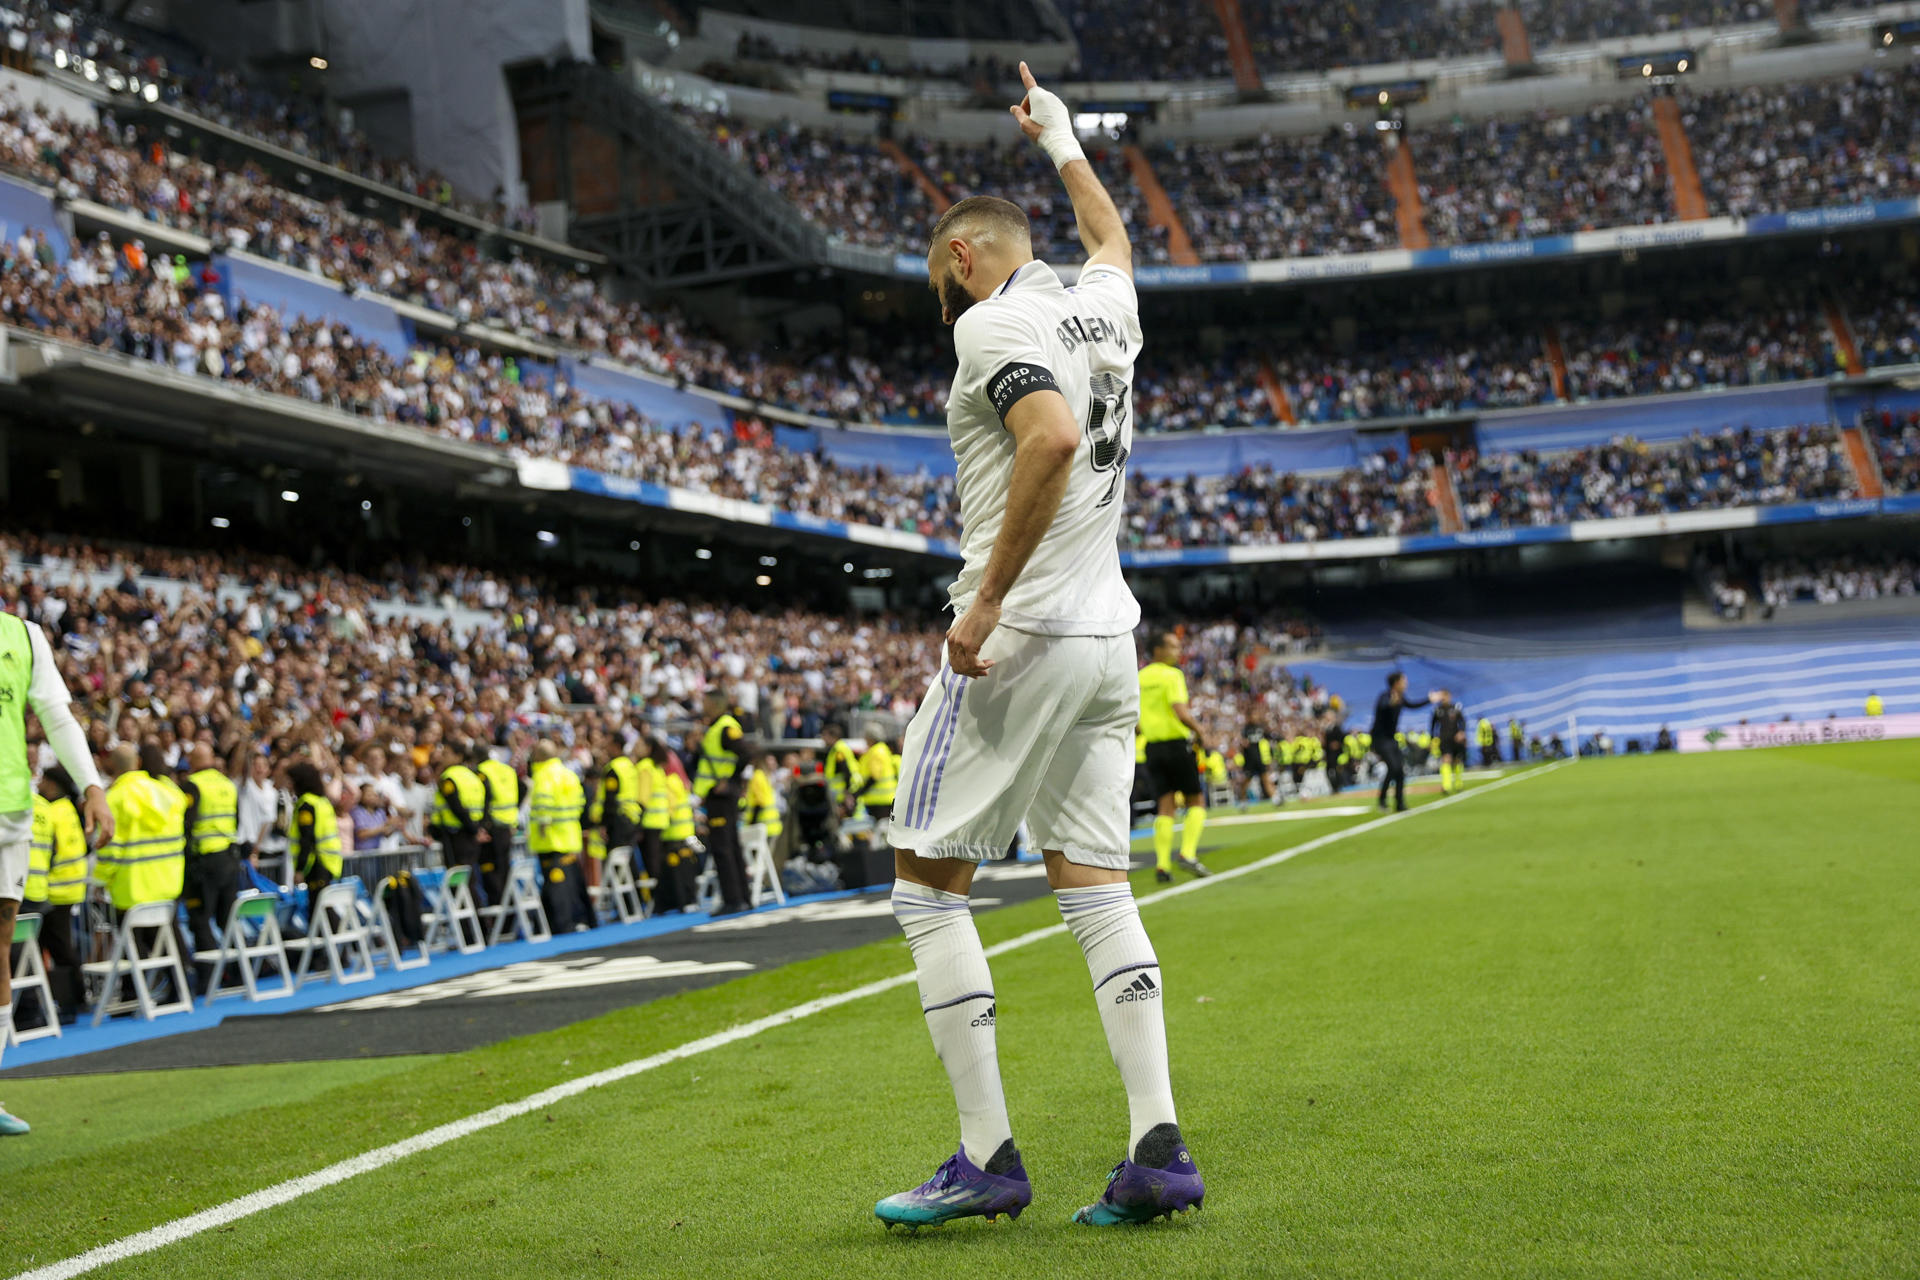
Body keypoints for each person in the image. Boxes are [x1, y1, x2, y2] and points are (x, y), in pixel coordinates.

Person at [877, 64, 1202, 1232]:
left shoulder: (996, 325)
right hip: (1111, 637)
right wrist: (1062, 137)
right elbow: (1109, 231)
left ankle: (984, 1156)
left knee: (925, 887)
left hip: (1020, 639)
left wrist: (982, 603)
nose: (941, 304)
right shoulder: (1101, 302)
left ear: (965, 256)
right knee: (1097, 886)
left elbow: (1051, 436)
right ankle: (1156, 1146)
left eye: (938, 279)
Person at [0, 605, 110, 1134]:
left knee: (1, 946)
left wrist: (92, 786)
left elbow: (58, 714)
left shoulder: (23, 635)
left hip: (9, 813)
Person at [1137, 631, 1212, 884]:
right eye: (1172, 646)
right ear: (1157, 650)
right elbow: (1180, 711)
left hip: (1152, 748)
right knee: (1196, 800)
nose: (1178, 651)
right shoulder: (1172, 675)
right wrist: (1200, 731)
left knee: (1165, 805)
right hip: (1177, 746)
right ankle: (1188, 853)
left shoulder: (1139, 678)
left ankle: (1162, 865)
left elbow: (1135, 719)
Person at [178, 743, 241, 987]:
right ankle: (236, 973)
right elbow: (237, 819)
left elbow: (187, 824)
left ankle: (208, 977)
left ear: (193, 760)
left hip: (204, 862)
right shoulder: (227, 784)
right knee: (227, 920)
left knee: (201, 919)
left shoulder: (192, 785)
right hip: (229, 858)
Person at [28, 766, 88, 1023]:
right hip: (70, 886)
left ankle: (71, 1002)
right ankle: (69, 1000)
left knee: (59, 948)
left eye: (44, 780)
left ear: (54, 785)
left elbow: (52, 852)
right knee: (59, 946)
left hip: (56, 888)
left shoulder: (53, 811)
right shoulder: (67, 809)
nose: (40, 784)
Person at [693, 689, 751, 916]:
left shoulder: (725, 727)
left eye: (706, 701)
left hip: (722, 797)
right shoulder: (717, 727)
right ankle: (742, 897)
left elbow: (745, 753)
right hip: (718, 796)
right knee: (731, 847)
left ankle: (734, 899)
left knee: (723, 848)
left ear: (715, 703)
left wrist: (731, 780)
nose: (703, 705)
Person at [526, 739, 586, 933]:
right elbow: (580, 803)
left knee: (556, 885)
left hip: (550, 840)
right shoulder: (569, 774)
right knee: (568, 883)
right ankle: (573, 919)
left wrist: (542, 829)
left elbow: (543, 807)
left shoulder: (543, 776)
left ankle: (561, 924)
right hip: (569, 836)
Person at [1372, 672, 1439, 813]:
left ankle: (1399, 803)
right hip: (1380, 740)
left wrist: (1429, 699)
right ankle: (1383, 800)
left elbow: (1412, 705)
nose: (1406, 683)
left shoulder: (1401, 698)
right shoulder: (1385, 696)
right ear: (1396, 683)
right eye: (1404, 680)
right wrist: (1391, 703)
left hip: (1391, 739)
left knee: (1399, 771)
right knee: (1394, 767)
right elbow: (1383, 706)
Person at [430, 742, 487, 901]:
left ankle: (467, 924)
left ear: (458, 757)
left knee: (460, 883)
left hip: (456, 835)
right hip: (471, 834)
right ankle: (478, 921)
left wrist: (474, 830)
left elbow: (457, 807)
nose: (442, 757)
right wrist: (478, 829)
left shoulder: (449, 777)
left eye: (446, 754)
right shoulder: (473, 776)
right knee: (470, 879)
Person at [286, 760, 343, 900]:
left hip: (317, 865)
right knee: (322, 909)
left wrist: (300, 869)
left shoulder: (306, 805)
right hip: (331, 862)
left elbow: (306, 838)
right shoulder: (322, 801)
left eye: (291, 781)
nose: (289, 785)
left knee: (320, 910)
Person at [476, 747, 520, 905]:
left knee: (491, 873)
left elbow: (485, 799)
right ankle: (509, 912)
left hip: (491, 828)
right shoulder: (507, 769)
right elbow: (523, 787)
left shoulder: (481, 771)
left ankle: (498, 911)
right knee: (504, 871)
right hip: (508, 825)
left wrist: (482, 826)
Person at [820, 720, 864, 816]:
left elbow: (846, 771)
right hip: (844, 792)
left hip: (847, 792)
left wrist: (847, 793)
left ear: (833, 736)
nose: (823, 739)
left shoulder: (839, 749)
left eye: (825, 736)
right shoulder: (838, 748)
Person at [856, 725, 898, 823]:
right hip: (883, 799)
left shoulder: (876, 751)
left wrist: (861, 791)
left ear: (870, 738)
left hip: (879, 800)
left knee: (880, 830)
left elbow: (875, 776)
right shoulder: (883, 749)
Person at [1431, 692, 1469, 796]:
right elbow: (1433, 725)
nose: (1443, 699)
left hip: (1456, 739)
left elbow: (1463, 721)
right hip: (1444, 739)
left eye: (1445, 697)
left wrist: (1462, 732)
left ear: (1449, 697)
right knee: (1446, 760)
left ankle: (1458, 784)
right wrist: (1432, 738)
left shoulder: (1456, 707)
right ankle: (1446, 786)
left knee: (1457, 761)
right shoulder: (1437, 710)